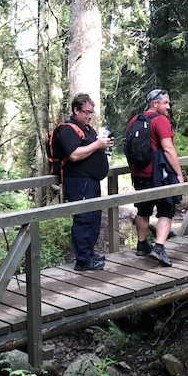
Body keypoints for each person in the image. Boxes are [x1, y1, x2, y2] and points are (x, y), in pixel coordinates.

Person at [58, 92, 114, 271]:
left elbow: (91, 149)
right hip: (79, 182)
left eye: (91, 112)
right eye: (87, 112)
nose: (90, 116)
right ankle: (82, 260)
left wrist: (103, 145)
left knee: (94, 218)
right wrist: (97, 145)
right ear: (76, 110)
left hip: (91, 182)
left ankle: (89, 253)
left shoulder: (88, 129)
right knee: (83, 219)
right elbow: (74, 155)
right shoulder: (68, 129)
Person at [129, 88, 183, 267]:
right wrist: (178, 173)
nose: (168, 107)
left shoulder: (135, 120)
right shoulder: (160, 120)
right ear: (155, 103)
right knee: (167, 210)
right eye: (165, 103)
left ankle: (142, 244)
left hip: (139, 174)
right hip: (158, 175)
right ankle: (159, 247)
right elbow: (167, 148)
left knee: (143, 210)